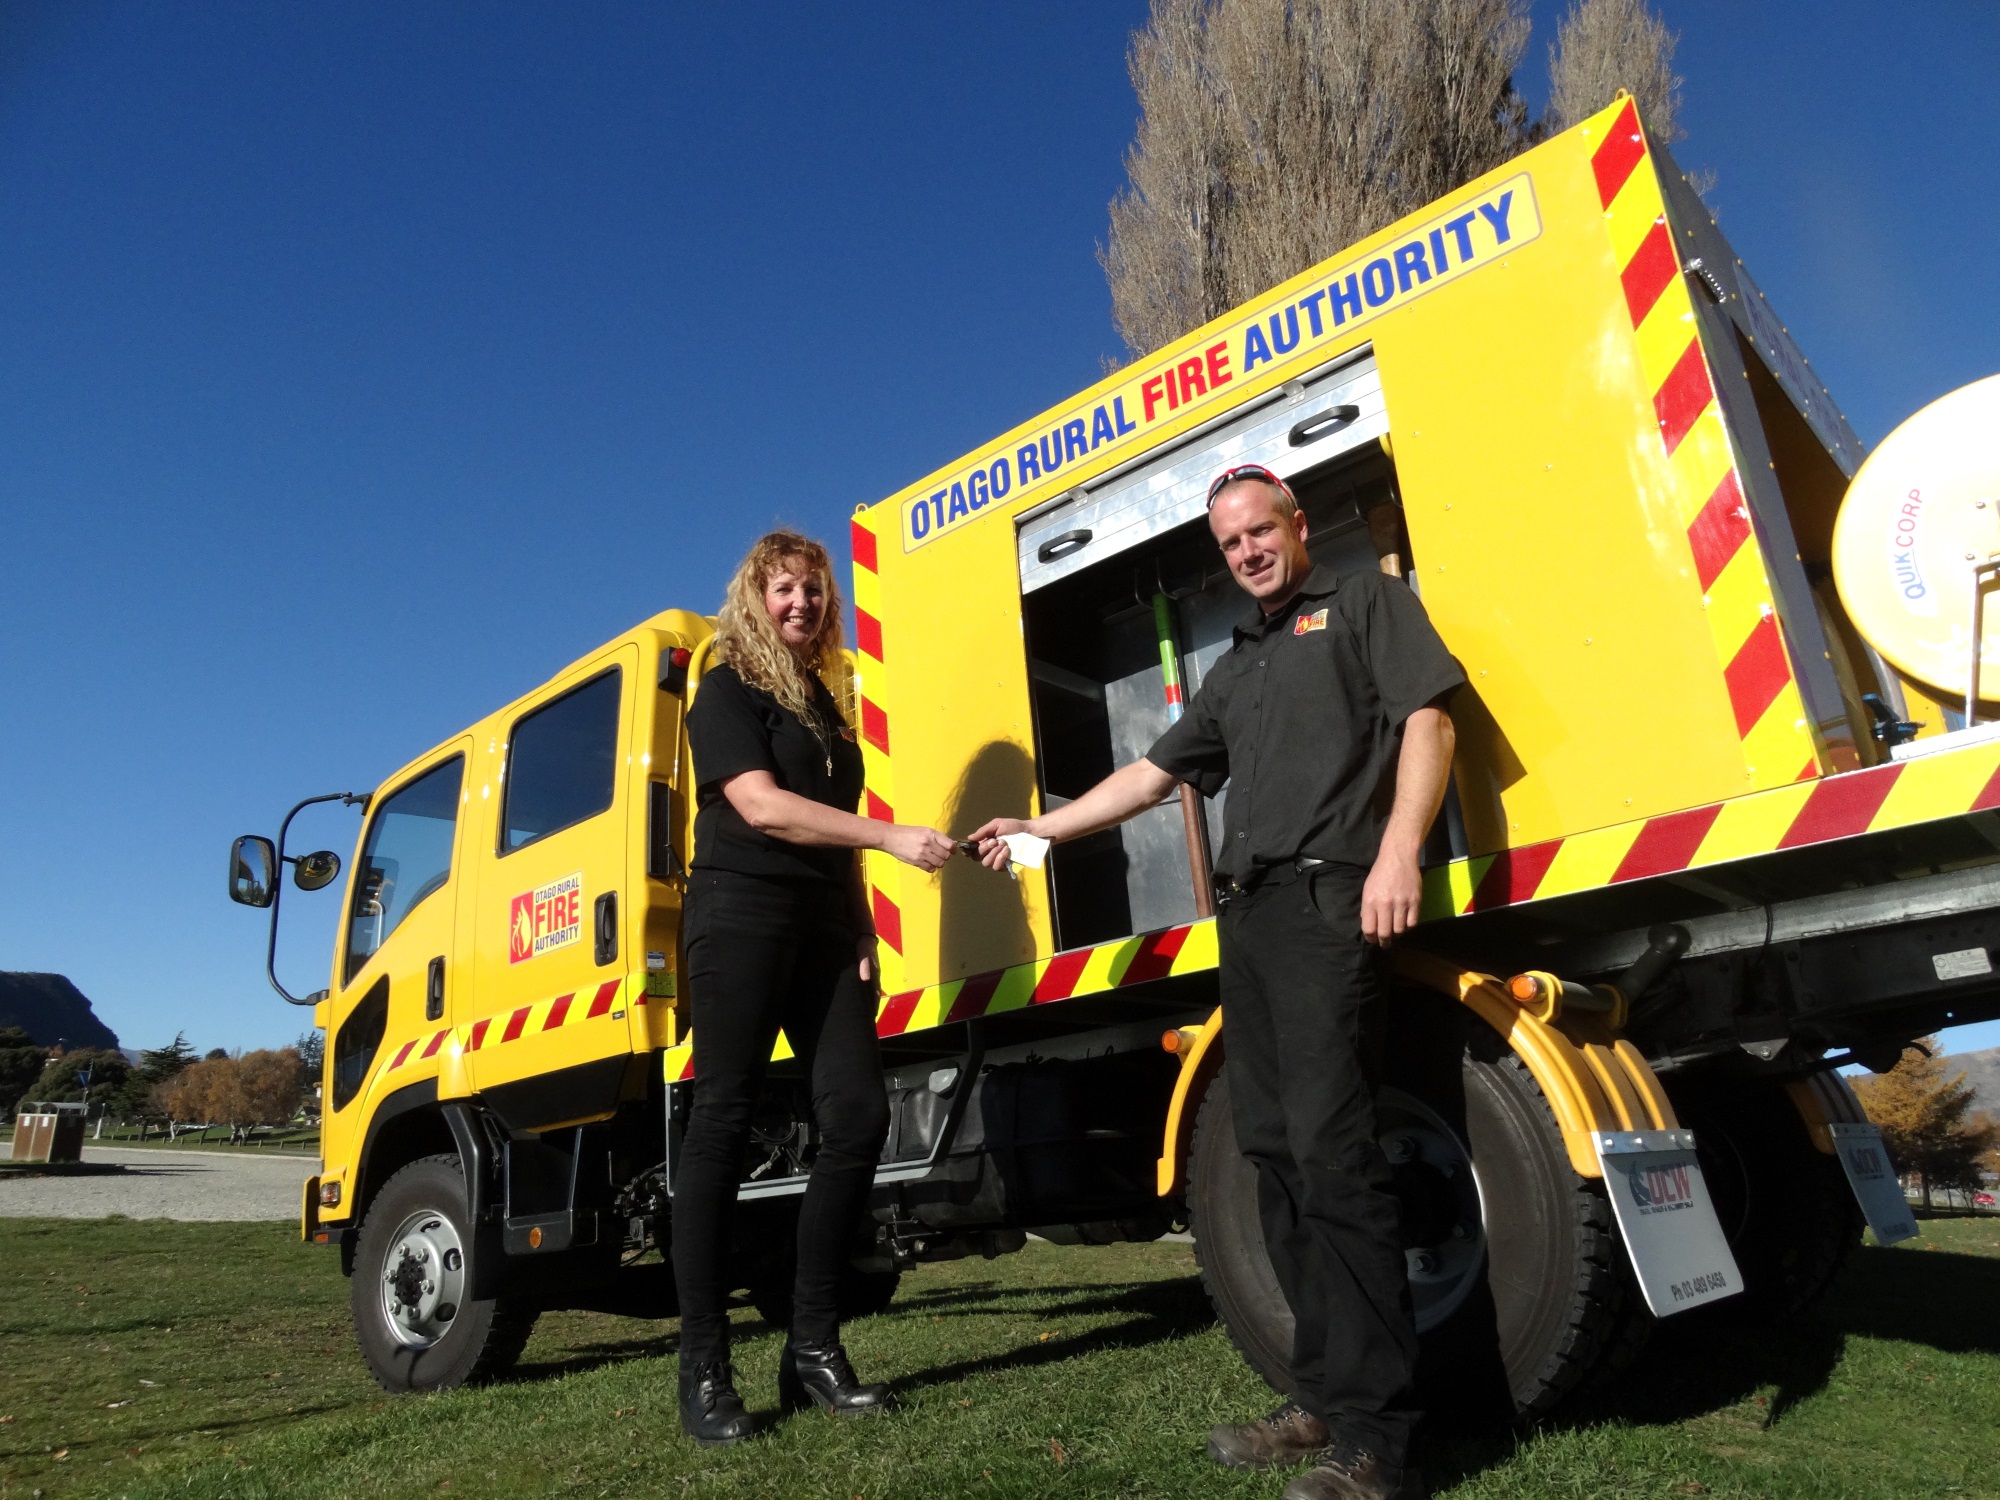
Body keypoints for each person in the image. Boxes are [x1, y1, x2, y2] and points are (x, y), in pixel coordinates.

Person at [975, 465, 1461, 1500]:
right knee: (1272, 1159)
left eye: (1258, 530)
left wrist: (1396, 853)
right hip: (1246, 919)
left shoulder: (1362, 604)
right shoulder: (1235, 666)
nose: (1245, 551)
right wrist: (1041, 830)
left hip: (1333, 896)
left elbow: (1429, 721)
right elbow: (1152, 776)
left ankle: (1380, 1449)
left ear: (1295, 526)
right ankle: (1321, 1399)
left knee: (1334, 1161)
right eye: (1228, 542)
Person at [673, 529, 957, 1446]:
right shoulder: (726, 689)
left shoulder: (828, 714)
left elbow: (831, 833)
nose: (801, 604)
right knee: (721, 1121)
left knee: (860, 1117)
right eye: (783, 589)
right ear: (754, 598)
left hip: (824, 930)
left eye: (813, 592)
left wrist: (864, 923)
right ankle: (705, 1368)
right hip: (739, 915)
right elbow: (758, 804)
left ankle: (812, 1345)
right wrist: (887, 837)